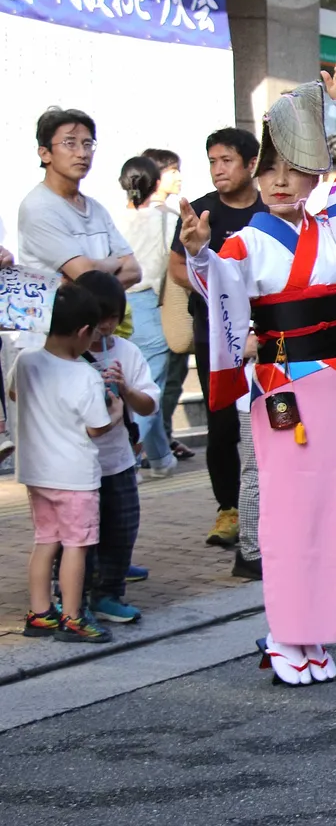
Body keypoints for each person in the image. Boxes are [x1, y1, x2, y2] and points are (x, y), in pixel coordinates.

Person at [178, 58, 336, 685]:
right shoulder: (245, 240)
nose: (280, 182)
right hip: (283, 387)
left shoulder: (335, 231)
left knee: (334, 508)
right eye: (269, 169)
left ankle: (317, 632)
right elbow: (218, 282)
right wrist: (198, 253)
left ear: (314, 174)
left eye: (294, 170)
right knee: (287, 512)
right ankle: (284, 632)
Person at [168, 127, 266, 548]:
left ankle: (269, 505)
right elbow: (176, 270)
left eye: (226, 160)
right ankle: (229, 509)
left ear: (251, 164)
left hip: (267, 336)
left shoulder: (269, 211)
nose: (217, 169)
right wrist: (214, 282)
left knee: (270, 419)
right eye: (212, 161)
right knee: (222, 425)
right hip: (217, 337)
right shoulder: (200, 213)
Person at [14, 283, 119, 644]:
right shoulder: (85, 375)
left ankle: (40, 613)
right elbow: (97, 426)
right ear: (83, 332)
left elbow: (14, 392)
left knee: (45, 540)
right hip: (74, 477)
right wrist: (116, 409)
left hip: (35, 472)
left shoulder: (25, 360)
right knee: (76, 544)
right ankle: (74, 617)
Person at [76, 271, 157, 625]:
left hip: (119, 460)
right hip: (76, 465)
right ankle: (75, 599)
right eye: (101, 318)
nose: (107, 326)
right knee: (80, 536)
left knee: (121, 528)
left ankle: (108, 594)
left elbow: (149, 405)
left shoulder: (128, 351)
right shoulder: (64, 354)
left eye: (114, 318)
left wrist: (125, 389)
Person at [17, 108, 140, 288]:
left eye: (87, 144)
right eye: (70, 143)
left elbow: (134, 271)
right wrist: (114, 263)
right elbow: (85, 274)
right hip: (59, 315)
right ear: (45, 153)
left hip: (101, 314)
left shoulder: (96, 209)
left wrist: (90, 275)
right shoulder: (38, 208)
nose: (82, 153)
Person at [113, 156, 178, 477]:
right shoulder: (165, 220)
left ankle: (161, 458)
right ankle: (128, 457)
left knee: (129, 386)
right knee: (149, 388)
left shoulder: (111, 221)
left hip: (114, 308)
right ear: (155, 184)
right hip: (148, 306)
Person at [142, 148, 195, 466]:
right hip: (162, 304)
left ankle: (162, 437)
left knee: (170, 379)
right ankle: (154, 445)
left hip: (168, 303)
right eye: (172, 171)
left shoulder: (169, 215)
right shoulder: (159, 217)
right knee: (160, 379)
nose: (178, 176)